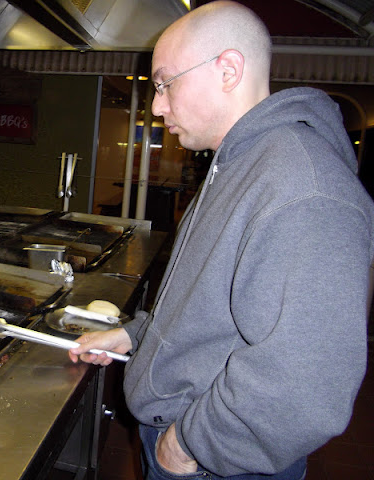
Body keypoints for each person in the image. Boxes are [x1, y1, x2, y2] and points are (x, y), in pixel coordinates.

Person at [69, 2, 374, 479]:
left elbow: (305, 381)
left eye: (165, 83)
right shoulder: (237, 163)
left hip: (218, 461)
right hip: (189, 435)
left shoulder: (304, 188)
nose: (157, 106)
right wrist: (136, 335)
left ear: (228, 70)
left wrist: (188, 444)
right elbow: (210, 303)